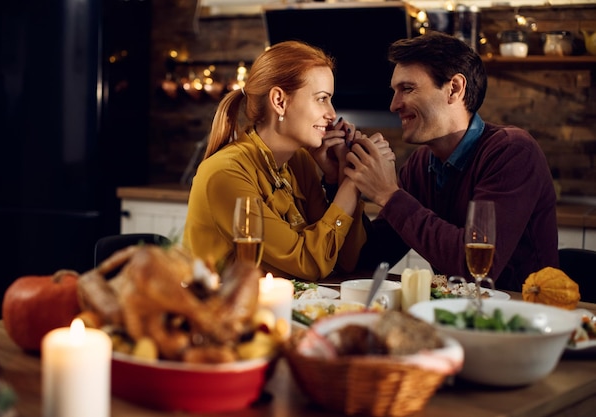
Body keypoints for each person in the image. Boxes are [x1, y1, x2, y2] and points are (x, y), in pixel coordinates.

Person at [347, 32, 559, 292]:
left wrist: (389, 195)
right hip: (458, 316)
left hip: (520, 319)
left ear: (454, 89)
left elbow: (475, 269)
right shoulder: (420, 165)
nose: (394, 105)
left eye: (408, 89)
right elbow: (370, 257)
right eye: (395, 91)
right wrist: (341, 180)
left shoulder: (512, 152)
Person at [182, 40, 391, 280]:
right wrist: (354, 181)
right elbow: (310, 263)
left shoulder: (299, 162)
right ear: (279, 101)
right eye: (322, 98)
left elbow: (346, 261)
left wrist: (338, 176)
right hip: (222, 311)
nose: (332, 114)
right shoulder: (224, 173)